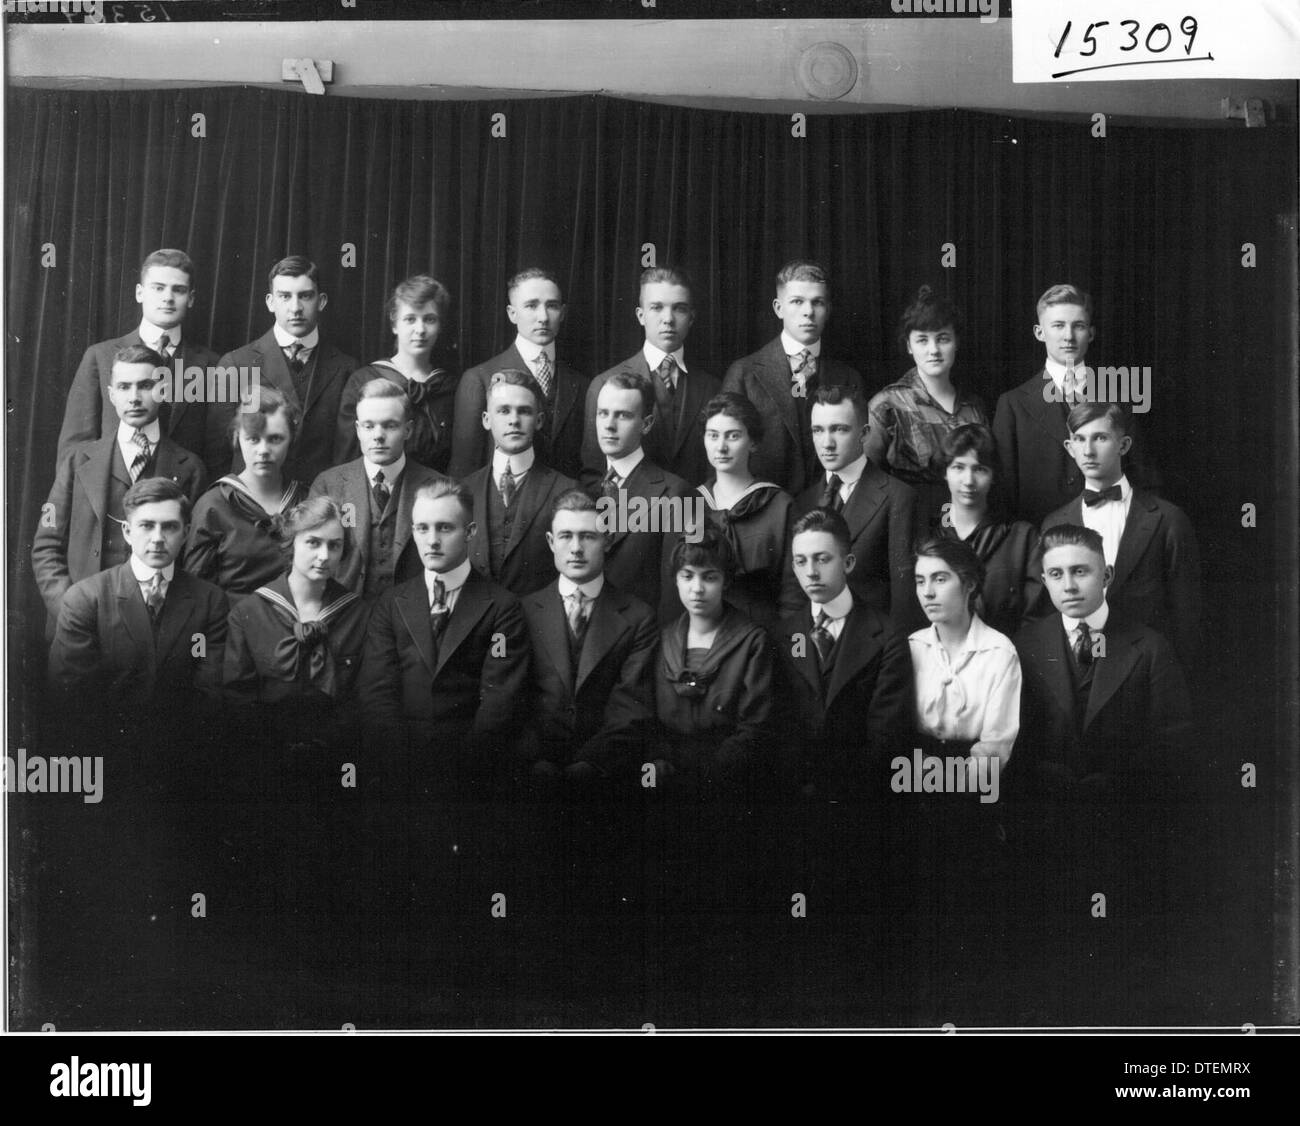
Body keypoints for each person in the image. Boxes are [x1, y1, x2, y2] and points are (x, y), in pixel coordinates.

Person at [357, 479, 530, 795]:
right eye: (422, 528)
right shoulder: (391, 603)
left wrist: (456, 774)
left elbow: (498, 703)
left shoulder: (502, 608)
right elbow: (377, 693)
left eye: (445, 528)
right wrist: (404, 765)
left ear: (470, 532)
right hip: (400, 771)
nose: (432, 541)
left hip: (471, 776)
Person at [46, 477, 228, 753]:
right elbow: (72, 694)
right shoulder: (86, 599)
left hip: (182, 754)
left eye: (169, 527)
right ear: (128, 532)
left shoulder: (208, 601)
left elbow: (208, 686)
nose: (157, 538)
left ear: (186, 533)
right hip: (105, 753)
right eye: (146, 526)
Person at [33, 344, 207, 630]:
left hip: (159, 631)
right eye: (124, 387)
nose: (135, 398)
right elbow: (45, 546)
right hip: (80, 627)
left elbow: (195, 561)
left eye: (146, 385)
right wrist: (71, 611)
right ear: (111, 394)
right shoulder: (77, 463)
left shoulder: (190, 469)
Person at [1013, 524, 1193, 798]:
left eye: (1080, 571)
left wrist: (1118, 782)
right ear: (1044, 580)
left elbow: (1172, 741)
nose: (1069, 586)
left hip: (1124, 811)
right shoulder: (1024, 645)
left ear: (1107, 575)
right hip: (1046, 810)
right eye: (1056, 574)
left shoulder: (1150, 647)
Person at [518, 489, 658, 793]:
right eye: (566, 536)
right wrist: (537, 762)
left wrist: (589, 766)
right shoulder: (523, 612)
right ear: (550, 542)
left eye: (588, 537)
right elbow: (514, 699)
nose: (576, 548)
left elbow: (631, 708)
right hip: (535, 775)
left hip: (606, 776)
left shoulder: (638, 617)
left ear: (607, 541)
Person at [1042, 402, 1201, 668]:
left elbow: (1186, 619)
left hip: (1144, 671)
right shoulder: (1054, 523)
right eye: (1079, 440)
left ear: (1124, 445)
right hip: (1078, 670)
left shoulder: (1168, 520)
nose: (1088, 451)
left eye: (1100, 438)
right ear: (1070, 449)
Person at [774, 507, 912, 799]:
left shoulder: (887, 636)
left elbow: (884, 737)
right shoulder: (782, 635)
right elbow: (778, 730)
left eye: (822, 559)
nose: (811, 572)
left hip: (860, 801)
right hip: (794, 802)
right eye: (801, 561)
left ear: (848, 563)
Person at [56, 248, 225, 479]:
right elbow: (75, 448)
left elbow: (217, 453)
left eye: (178, 290)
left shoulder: (212, 365)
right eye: (158, 288)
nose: (168, 297)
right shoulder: (100, 356)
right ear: (139, 293)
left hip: (182, 502)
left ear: (191, 298)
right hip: (112, 500)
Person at [223, 496, 368, 758]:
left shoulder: (357, 614)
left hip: (337, 758)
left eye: (334, 546)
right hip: (266, 759)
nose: (324, 556)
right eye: (313, 543)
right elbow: (238, 699)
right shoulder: (249, 613)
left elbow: (363, 698)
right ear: (291, 545)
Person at [206, 255, 358, 484]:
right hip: (251, 503)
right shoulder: (235, 364)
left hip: (318, 504)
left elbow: (347, 454)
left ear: (321, 301)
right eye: (285, 296)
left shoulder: (346, 368)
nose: (295, 308)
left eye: (305, 296)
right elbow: (218, 451)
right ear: (270, 302)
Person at [721, 260, 866, 495]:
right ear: (778, 308)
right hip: (762, 508)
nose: (808, 311)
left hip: (831, 509)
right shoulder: (744, 373)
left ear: (828, 309)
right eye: (797, 301)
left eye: (817, 302)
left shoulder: (849, 377)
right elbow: (725, 453)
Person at [655, 529, 774, 797]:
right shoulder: (663, 640)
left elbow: (755, 729)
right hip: (665, 782)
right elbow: (649, 721)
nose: (697, 588)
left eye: (709, 577)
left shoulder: (752, 642)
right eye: (687, 576)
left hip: (726, 786)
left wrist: (702, 777)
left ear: (726, 582)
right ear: (675, 579)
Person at [787, 385, 918, 627]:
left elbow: (904, 600)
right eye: (818, 430)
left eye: (839, 430)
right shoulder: (802, 502)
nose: (827, 443)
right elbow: (794, 595)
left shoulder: (898, 497)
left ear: (865, 433)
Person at [581, 266, 720, 489]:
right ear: (640, 315)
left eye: (679, 309)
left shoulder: (712, 387)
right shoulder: (604, 384)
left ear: (692, 318)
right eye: (656, 307)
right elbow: (593, 473)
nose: (668, 319)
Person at [309, 379, 445, 601]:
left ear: (408, 430)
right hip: (346, 615)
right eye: (369, 426)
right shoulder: (328, 485)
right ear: (358, 430)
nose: (378, 436)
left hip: (412, 616)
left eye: (390, 425)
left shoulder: (436, 487)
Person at [449, 268, 589, 481]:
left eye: (551, 306)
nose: (543, 317)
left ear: (562, 313)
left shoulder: (581, 384)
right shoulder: (479, 379)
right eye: (531, 306)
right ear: (512, 313)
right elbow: (464, 470)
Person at [866, 286, 988, 525]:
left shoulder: (974, 407)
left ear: (956, 342)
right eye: (922, 340)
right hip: (910, 525)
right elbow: (867, 483)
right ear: (909, 346)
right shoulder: (887, 406)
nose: (933, 350)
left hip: (969, 527)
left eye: (943, 339)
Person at [908, 536, 1021, 773]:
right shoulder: (912, 647)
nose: (927, 592)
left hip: (972, 785)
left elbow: (995, 747)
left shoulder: (999, 652)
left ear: (969, 584)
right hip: (909, 776)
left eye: (940, 579)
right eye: (920, 581)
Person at [589, 370, 695, 622]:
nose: (609, 425)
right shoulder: (581, 488)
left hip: (643, 642)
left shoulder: (680, 492)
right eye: (603, 413)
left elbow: (677, 594)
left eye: (623, 416)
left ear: (646, 424)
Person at [185, 387, 307, 604]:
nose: (263, 450)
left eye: (275, 439)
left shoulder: (305, 500)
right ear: (237, 438)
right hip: (233, 629)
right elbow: (198, 594)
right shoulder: (214, 506)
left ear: (292, 439)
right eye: (253, 439)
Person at [463, 369, 576, 596]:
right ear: (486, 420)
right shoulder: (463, 490)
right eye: (503, 411)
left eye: (524, 411)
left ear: (539, 420)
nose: (514, 420)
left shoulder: (566, 490)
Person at [335, 274, 458, 473]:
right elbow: (346, 459)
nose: (420, 329)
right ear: (394, 325)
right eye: (410, 319)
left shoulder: (450, 387)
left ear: (440, 325)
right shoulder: (364, 379)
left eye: (429, 319)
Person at [991, 283, 1092, 525]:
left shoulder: (1117, 397)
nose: (1068, 336)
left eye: (1078, 326)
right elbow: (1002, 495)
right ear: (1039, 332)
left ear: (1090, 333)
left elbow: (1141, 480)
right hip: (1041, 545)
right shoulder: (1013, 405)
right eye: (1058, 325)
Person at [695, 392, 797, 625]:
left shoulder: (779, 505)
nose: (721, 447)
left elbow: (793, 592)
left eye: (733, 436)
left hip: (761, 632)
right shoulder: (691, 503)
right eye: (713, 436)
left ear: (753, 442)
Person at [933, 423, 1044, 637]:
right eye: (958, 467)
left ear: (993, 476)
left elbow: (1034, 618)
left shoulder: (1022, 537)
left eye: (980, 469)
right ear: (945, 472)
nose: (968, 481)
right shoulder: (930, 534)